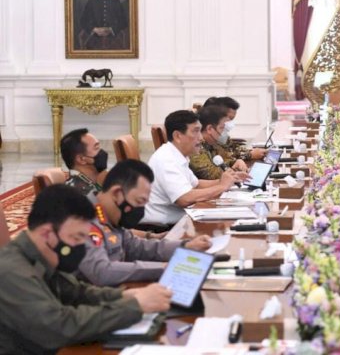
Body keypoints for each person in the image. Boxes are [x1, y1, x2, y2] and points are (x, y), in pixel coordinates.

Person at [0, 185, 171, 354]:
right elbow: (59, 327)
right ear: (47, 234)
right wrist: (135, 306)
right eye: (76, 238)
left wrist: (123, 296)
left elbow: (76, 293)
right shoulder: (11, 271)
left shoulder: (39, 256)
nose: (80, 247)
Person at [78, 160, 212, 287]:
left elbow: (137, 247)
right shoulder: (82, 219)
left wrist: (186, 246)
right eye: (138, 201)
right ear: (117, 194)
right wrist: (163, 268)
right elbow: (102, 271)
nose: (140, 210)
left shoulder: (109, 216)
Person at [140, 110, 241, 228]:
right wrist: (221, 187)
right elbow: (184, 198)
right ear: (177, 136)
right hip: (162, 229)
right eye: (196, 132)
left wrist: (228, 180)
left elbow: (196, 184)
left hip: (180, 221)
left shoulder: (177, 155)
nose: (201, 138)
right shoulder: (166, 159)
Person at [189, 105, 252, 180]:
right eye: (222, 128)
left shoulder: (212, 143)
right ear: (209, 129)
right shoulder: (195, 146)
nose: (224, 133)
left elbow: (222, 162)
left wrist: (235, 162)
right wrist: (235, 170)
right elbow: (211, 174)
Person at [204, 96, 267, 161]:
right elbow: (224, 157)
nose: (230, 124)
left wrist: (251, 152)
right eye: (229, 119)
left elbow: (232, 149)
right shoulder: (203, 139)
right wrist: (249, 155)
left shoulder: (221, 134)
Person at [61, 128, 108, 195]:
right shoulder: (78, 192)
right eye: (96, 148)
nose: (102, 152)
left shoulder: (94, 183)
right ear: (81, 159)